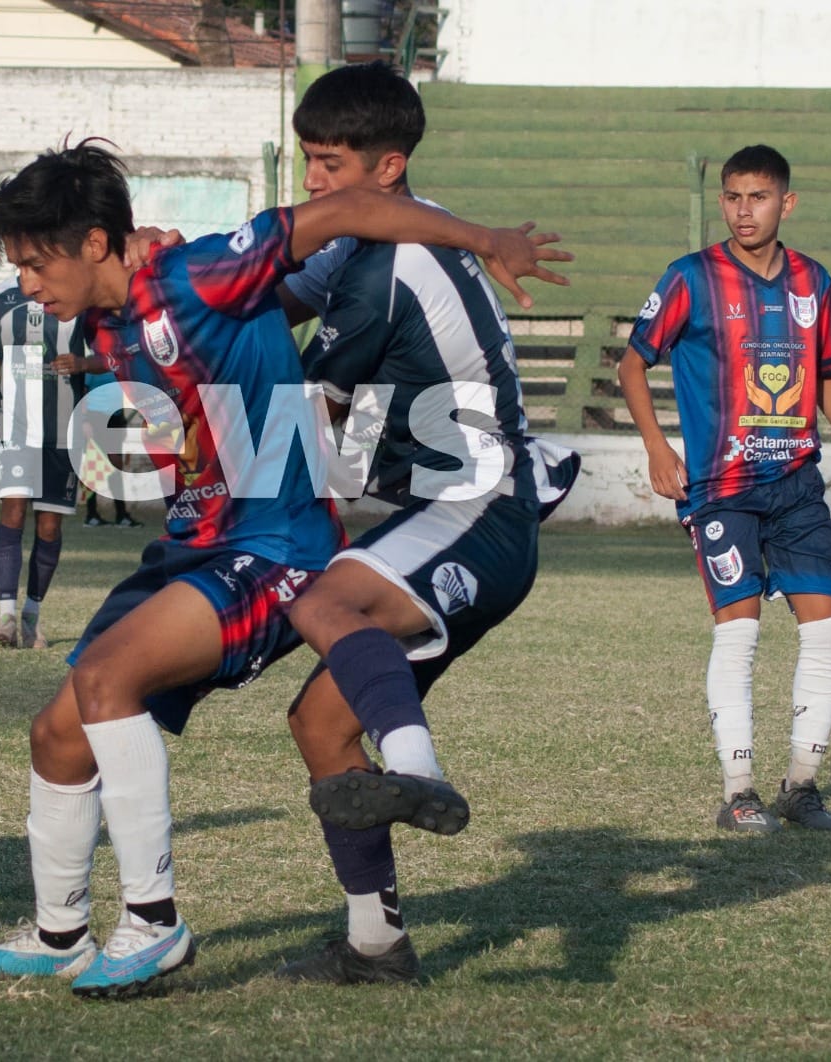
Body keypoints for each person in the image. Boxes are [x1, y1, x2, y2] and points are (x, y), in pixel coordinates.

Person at [0, 139, 570, 998]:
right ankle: (59, 934)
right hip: (194, 548)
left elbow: (345, 213)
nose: (25, 282)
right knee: (56, 734)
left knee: (105, 681)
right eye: (15, 265)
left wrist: (480, 237)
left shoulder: (197, 276)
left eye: (35, 260)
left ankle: (152, 926)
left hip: (272, 551)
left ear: (94, 243)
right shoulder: (104, 317)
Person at [235, 60, 582, 986]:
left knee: (322, 595)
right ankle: (377, 947)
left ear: (386, 170)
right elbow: (265, 300)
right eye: (308, 160)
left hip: (480, 510)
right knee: (319, 724)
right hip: (452, 512)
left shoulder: (390, 264)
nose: (311, 182)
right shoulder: (364, 247)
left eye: (327, 163)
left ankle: (419, 767)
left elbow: (310, 417)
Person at [619, 143, 831, 835]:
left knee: (826, 630)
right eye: (733, 196)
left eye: (757, 196)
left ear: (785, 202)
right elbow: (632, 365)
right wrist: (655, 446)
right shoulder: (690, 277)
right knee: (740, 636)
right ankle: (739, 792)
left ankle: (801, 787)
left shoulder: (812, 282)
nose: (742, 209)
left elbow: (824, 376)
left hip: (796, 485)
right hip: (721, 489)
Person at [0, 274, 89, 649]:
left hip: (64, 431)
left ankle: (32, 615)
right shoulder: (0, 297)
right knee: (12, 511)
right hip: (14, 427)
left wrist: (82, 364)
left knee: (48, 527)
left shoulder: (78, 288)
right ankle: (6, 618)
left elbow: (110, 357)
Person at [79, 370, 145, 528]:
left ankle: (121, 516)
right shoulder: (91, 365)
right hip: (96, 418)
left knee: (116, 466)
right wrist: (84, 420)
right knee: (94, 466)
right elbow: (82, 393)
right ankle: (91, 515)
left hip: (116, 418)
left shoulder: (118, 364)